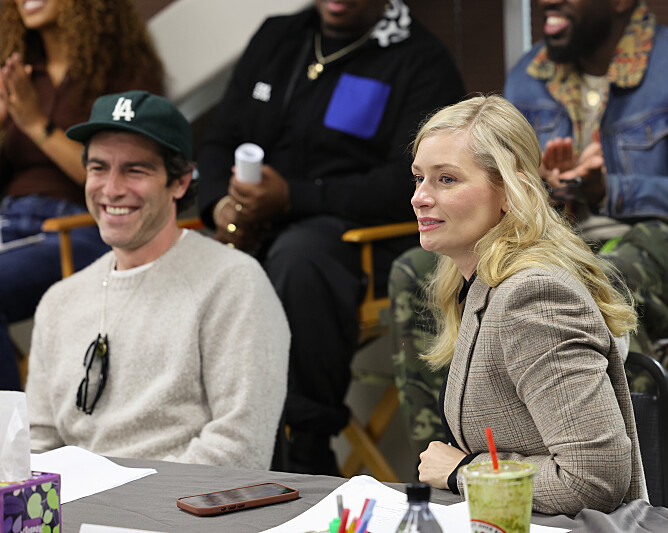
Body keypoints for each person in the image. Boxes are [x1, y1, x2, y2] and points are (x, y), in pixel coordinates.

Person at [196, 0, 464, 474]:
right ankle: (200, 437)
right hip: (256, 227)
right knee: (194, 260)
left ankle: (306, 444)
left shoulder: (420, 59)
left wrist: (294, 198)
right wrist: (221, 206)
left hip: (355, 240)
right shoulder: (278, 36)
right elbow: (218, 140)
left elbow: (411, 180)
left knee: (301, 258)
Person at [25, 90, 290, 469]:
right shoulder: (58, 301)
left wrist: (121, 511)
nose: (112, 188)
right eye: (98, 168)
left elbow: (239, 449)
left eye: (135, 170)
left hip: (180, 521)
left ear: (180, 182)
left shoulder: (234, 282)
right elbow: (37, 448)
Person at [412, 95, 646, 515]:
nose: (420, 197)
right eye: (418, 179)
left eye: (446, 179)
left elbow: (594, 480)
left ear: (510, 191)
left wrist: (463, 472)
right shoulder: (479, 282)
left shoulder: (532, 297)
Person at [504, 0, 668, 353]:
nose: (546, 1)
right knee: (419, 276)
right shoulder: (528, 75)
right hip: (562, 247)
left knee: (590, 285)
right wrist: (539, 185)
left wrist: (606, 191)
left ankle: (614, 411)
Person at [0, 0, 163, 391]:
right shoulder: (19, 73)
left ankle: (7, 446)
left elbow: (119, 182)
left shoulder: (120, 72)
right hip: (8, 223)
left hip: (77, 231)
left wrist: (37, 124)